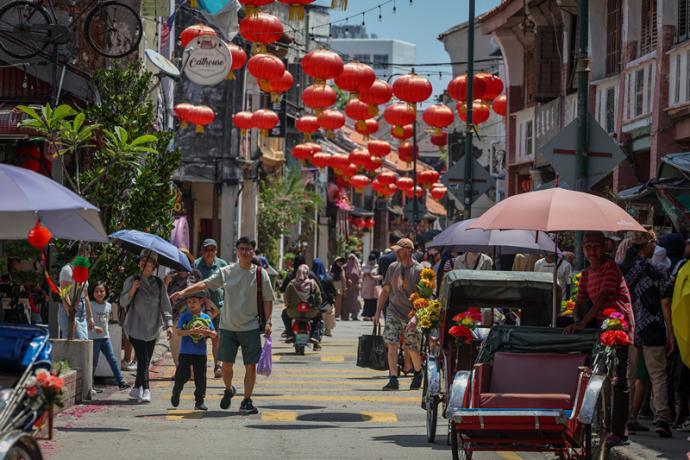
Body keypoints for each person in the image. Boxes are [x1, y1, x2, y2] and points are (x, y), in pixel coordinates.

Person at [172, 237, 274, 415]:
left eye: (248, 249)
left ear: (253, 252)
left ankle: (246, 401)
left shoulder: (260, 274)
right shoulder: (227, 271)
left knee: (250, 366)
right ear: (237, 251)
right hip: (228, 327)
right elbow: (205, 283)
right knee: (226, 366)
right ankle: (228, 389)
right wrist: (183, 292)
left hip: (250, 327)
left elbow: (267, 299)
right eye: (242, 248)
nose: (245, 252)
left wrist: (268, 321)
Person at [565, 231, 635, 447]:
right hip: (596, 324)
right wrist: (577, 322)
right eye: (587, 247)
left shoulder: (611, 268)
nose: (591, 251)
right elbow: (581, 301)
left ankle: (619, 431)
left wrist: (583, 323)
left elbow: (604, 297)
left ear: (605, 247)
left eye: (595, 246)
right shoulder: (586, 273)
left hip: (617, 324)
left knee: (619, 379)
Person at [620, 231, 673, 437]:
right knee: (658, 375)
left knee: (630, 376)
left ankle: (628, 418)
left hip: (632, 327)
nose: (656, 247)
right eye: (653, 242)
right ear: (646, 245)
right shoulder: (657, 270)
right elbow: (664, 301)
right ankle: (661, 418)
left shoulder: (625, 270)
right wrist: (670, 333)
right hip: (653, 327)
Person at [120, 250, 173, 404]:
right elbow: (123, 302)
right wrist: (133, 290)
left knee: (146, 361)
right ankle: (147, 389)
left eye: (148, 261)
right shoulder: (131, 280)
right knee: (142, 360)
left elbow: (165, 305)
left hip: (153, 328)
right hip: (134, 326)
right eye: (142, 260)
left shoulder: (159, 283)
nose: (144, 262)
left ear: (154, 265)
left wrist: (169, 325)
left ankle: (136, 389)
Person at [374, 238, 424, 391]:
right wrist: (377, 312)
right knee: (392, 344)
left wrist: (416, 317)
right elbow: (386, 290)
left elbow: (424, 298)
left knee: (413, 347)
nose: (396, 252)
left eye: (399, 250)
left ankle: (418, 372)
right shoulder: (392, 267)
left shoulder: (419, 270)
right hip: (393, 311)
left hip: (412, 313)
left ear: (409, 251)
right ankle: (393, 378)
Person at [170, 288, 216, 411]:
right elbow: (179, 332)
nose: (191, 304)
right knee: (182, 376)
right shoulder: (185, 316)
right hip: (185, 352)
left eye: (194, 302)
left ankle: (199, 401)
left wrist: (207, 332)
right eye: (189, 302)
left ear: (201, 302)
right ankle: (176, 391)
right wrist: (191, 331)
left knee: (201, 378)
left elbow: (214, 334)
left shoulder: (206, 317)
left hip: (200, 353)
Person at [194, 238, 228, 378]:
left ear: (216, 251)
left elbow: (227, 286)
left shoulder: (222, 264)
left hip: (218, 308)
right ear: (202, 251)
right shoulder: (196, 264)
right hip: (201, 308)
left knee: (217, 338)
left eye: (212, 250)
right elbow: (192, 284)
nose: (210, 253)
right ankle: (199, 366)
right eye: (207, 250)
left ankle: (217, 366)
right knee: (199, 337)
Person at [89, 282, 130, 393]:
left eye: (101, 291)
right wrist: (95, 328)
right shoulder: (90, 305)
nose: (99, 293)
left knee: (112, 359)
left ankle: (121, 382)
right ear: (92, 293)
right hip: (93, 338)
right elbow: (86, 321)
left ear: (106, 292)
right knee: (93, 362)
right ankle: (90, 385)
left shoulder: (108, 305)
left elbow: (109, 320)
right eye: (96, 291)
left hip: (105, 338)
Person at [58, 244, 95, 339]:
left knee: (83, 342)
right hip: (70, 310)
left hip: (82, 311)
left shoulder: (82, 270)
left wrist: (90, 317)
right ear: (80, 253)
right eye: (88, 253)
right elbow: (64, 295)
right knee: (75, 345)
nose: (89, 256)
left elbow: (86, 296)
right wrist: (71, 317)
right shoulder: (67, 270)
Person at [284, 265, 323, 350]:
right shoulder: (313, 283)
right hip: (310, 312)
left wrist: (288, 306)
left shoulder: (292, 284)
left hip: (294, 312)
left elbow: (286, 299)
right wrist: (317, 306)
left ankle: (289, 334)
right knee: (319, 318)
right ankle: (315, 336)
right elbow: (319, 298)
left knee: (284, 314)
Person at [312, 258, 337, 337]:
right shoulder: (328, 278)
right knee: (331, 311)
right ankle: (328, 329)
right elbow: (333, 291)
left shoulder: (310, 277)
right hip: (325, 304)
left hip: (313, 303)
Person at [342, 254, 362, 321]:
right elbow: (342, 275)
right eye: (350, 258)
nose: (351, 260)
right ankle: (345, 316)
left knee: (355, 302)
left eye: (353, 258)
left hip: (355, 287)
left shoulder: (357, 267)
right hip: (347, 286)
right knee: (346, 302)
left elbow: (359, 276)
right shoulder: (345, 267)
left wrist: (359, 283)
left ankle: (354, 315)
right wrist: (347, 280)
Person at [361, 254, 381, 321]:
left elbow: (380, 276)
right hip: (366, 286)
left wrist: (373, 277)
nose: (372, 262)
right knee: (367, 301)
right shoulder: (364, 266)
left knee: (374, 301)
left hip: (374, 287)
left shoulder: (377, 266)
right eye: (371, 260)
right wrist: (364, 274)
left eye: (373, 260)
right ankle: (366, 315)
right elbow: (361, 276)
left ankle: (373, 315)